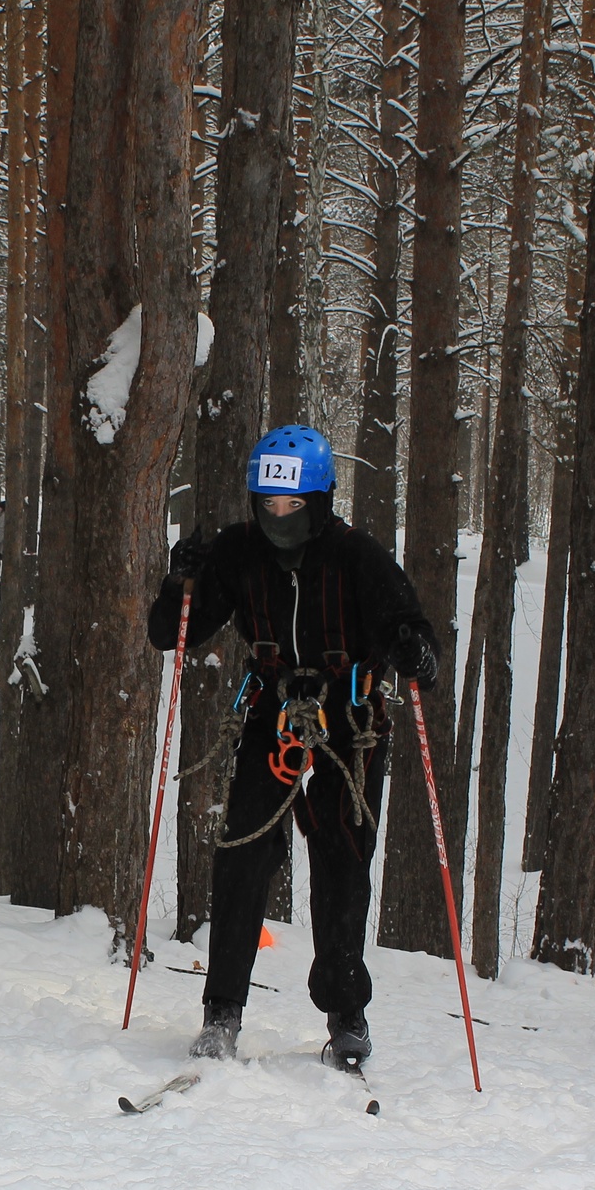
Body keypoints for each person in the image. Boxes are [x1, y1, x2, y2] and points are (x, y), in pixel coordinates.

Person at [147, 426, 439, 1072]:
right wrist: (179, 582)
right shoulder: (236, 552)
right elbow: (171, 634)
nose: (278, 518)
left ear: (320, 500)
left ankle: (345, 1017)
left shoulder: (358, 556)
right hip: (274, 709)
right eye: (268, 504)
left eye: (292, 505)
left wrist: (411, 649)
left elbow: (419, 642)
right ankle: (221, 1013)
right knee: (243, 850)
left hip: (351, 714)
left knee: (342, 858)